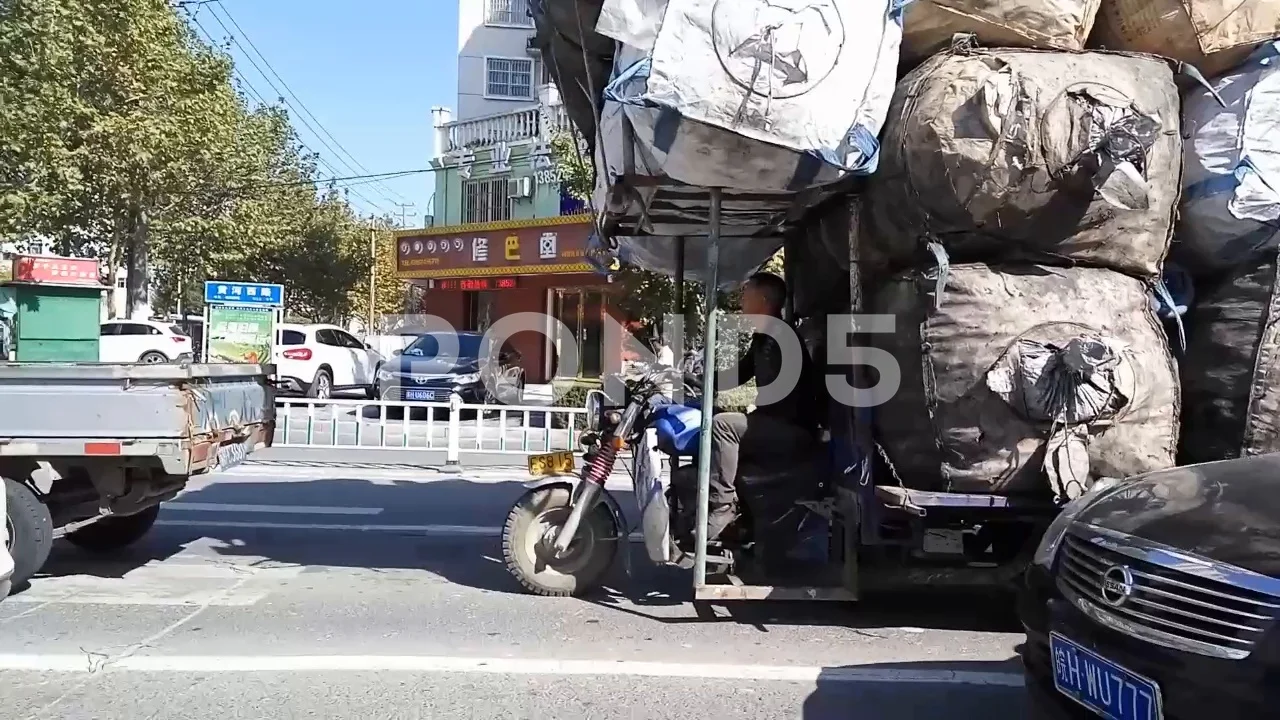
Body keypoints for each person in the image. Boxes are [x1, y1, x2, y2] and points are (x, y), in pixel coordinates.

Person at [692, 272, 821, 540]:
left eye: (746, 294)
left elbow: (785, 398)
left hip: (791, 430)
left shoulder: (781, 337)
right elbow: (739, 374)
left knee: (723, 425)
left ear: (763, 300)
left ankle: (722, 506)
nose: (741, 301)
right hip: (777, 423)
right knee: (718, 422)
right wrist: (696, 379)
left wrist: (752, 416)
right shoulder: (764, 337)